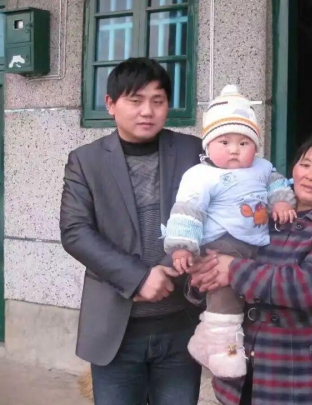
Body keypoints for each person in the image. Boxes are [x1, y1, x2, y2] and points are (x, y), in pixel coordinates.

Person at [60, 58, 203, 405]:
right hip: (115, 329)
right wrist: (138, 278)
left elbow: (214, 214)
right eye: (135, 100)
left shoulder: (192, 151)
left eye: (158, 100)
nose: (147, 111)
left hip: (181, 325)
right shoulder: (86, 160)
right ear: (111, 104)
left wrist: (167, 267)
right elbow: (76, 231)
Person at [187, 132, 312, 405]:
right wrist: (205, 277)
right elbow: (223, 252)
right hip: (242, 374)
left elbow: (306, 286)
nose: (311, 175)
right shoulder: (262, 213)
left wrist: (233, 270)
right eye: (305, 164)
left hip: (296, 375)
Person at [163, 85, 296, 379]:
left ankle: (205, 340)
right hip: (220, 246)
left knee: (245, 297)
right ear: (208, 146)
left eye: (244, 142)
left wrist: (282, 201)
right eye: (224, 141)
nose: (234, 149)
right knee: (225, 296)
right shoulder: (201, 175)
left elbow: (277, 183)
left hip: (255, 246)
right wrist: (182, 246)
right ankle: (226, 350)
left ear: (255, 147)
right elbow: (187, 210)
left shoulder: (262, 168)